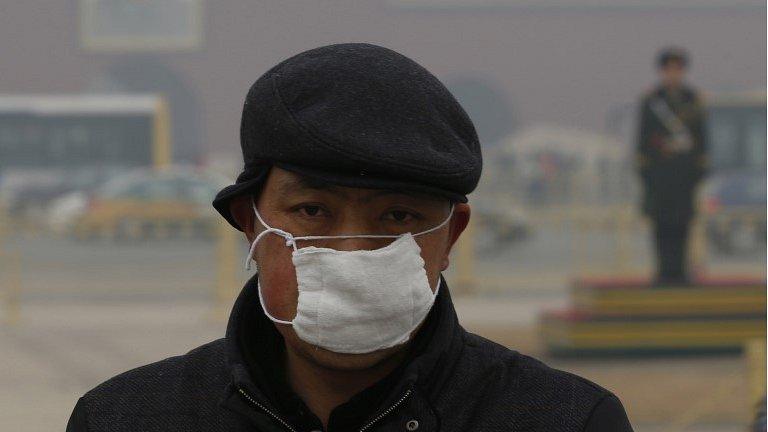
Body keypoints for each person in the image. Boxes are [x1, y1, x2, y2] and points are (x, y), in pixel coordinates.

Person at [67, 43, 633, 431]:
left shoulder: (564, 420)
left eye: (398, 218)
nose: (353, 252)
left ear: (451, 235)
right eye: (312, 210)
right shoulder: (129, 418)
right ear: (250, 223)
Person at [636, 47, 708, 286]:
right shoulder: (651, 101)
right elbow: (643, 141)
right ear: (662, 71)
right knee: (661, 226)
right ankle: (663, 272)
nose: (673, 74)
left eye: (677, 69)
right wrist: (649, 174)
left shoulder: (693, 100)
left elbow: (701, 141)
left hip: (684, 175)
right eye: (669, 69)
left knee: (682, 225)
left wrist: (697, 172)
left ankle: (680, 272)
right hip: (660, 175)